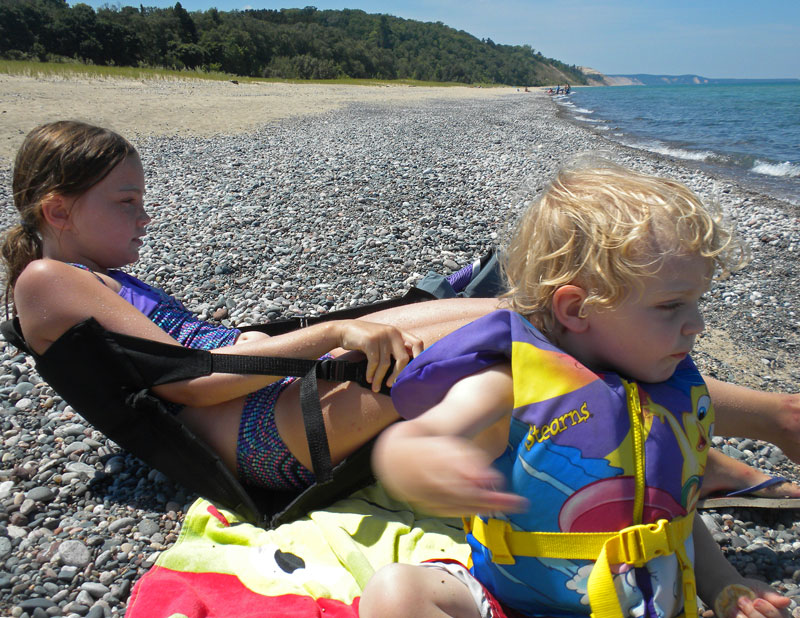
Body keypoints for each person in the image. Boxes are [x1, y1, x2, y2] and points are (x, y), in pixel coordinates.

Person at [2, 120, 799, 501]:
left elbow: (184, 366)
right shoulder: (47, 278)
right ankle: (724, 437)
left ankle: (728, 428)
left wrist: (311, 340)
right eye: (126, 200)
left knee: (502, 310)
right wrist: (336, 332)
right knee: (511, 335)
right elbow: (186, 382)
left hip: (268, 390)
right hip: (255, 431)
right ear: (57, 209)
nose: (145, 216)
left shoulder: (86, 275)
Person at [360, 160, 790, 618]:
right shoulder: (511, 382)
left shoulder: (669, 396)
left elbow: (673, 520)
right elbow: (411, 440)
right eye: (671, 306)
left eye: (696, 302)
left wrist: (726, 587)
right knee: (396, 591)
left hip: (647, 606)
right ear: (577, 308)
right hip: (510, 605)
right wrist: (424, 462)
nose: (697, 326)